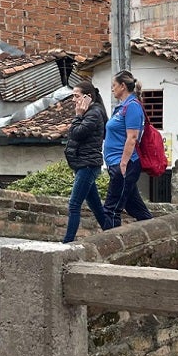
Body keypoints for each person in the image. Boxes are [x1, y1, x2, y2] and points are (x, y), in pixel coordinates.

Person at [102, 70, 153, 229]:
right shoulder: (121, 107)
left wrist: (123, 164)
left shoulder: (132, 107)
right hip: (116, 164)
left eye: (114, 85)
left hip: (125, 164)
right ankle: (154, 232)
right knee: (135, 208)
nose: (112, 89)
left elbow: (132, 138)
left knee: (111, 209)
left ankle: (110, 247)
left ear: (123, 86)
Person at [62, 83, 109, 242]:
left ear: (87, 96)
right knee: (96, 207)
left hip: (87, 165)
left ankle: (67, 242)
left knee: (74, 205)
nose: (74, 99)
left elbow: (76, 133)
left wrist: (78, 115)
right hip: (83, 163)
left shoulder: (93, 113)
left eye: (76, 96)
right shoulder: (91, 112)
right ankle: (112, 234)